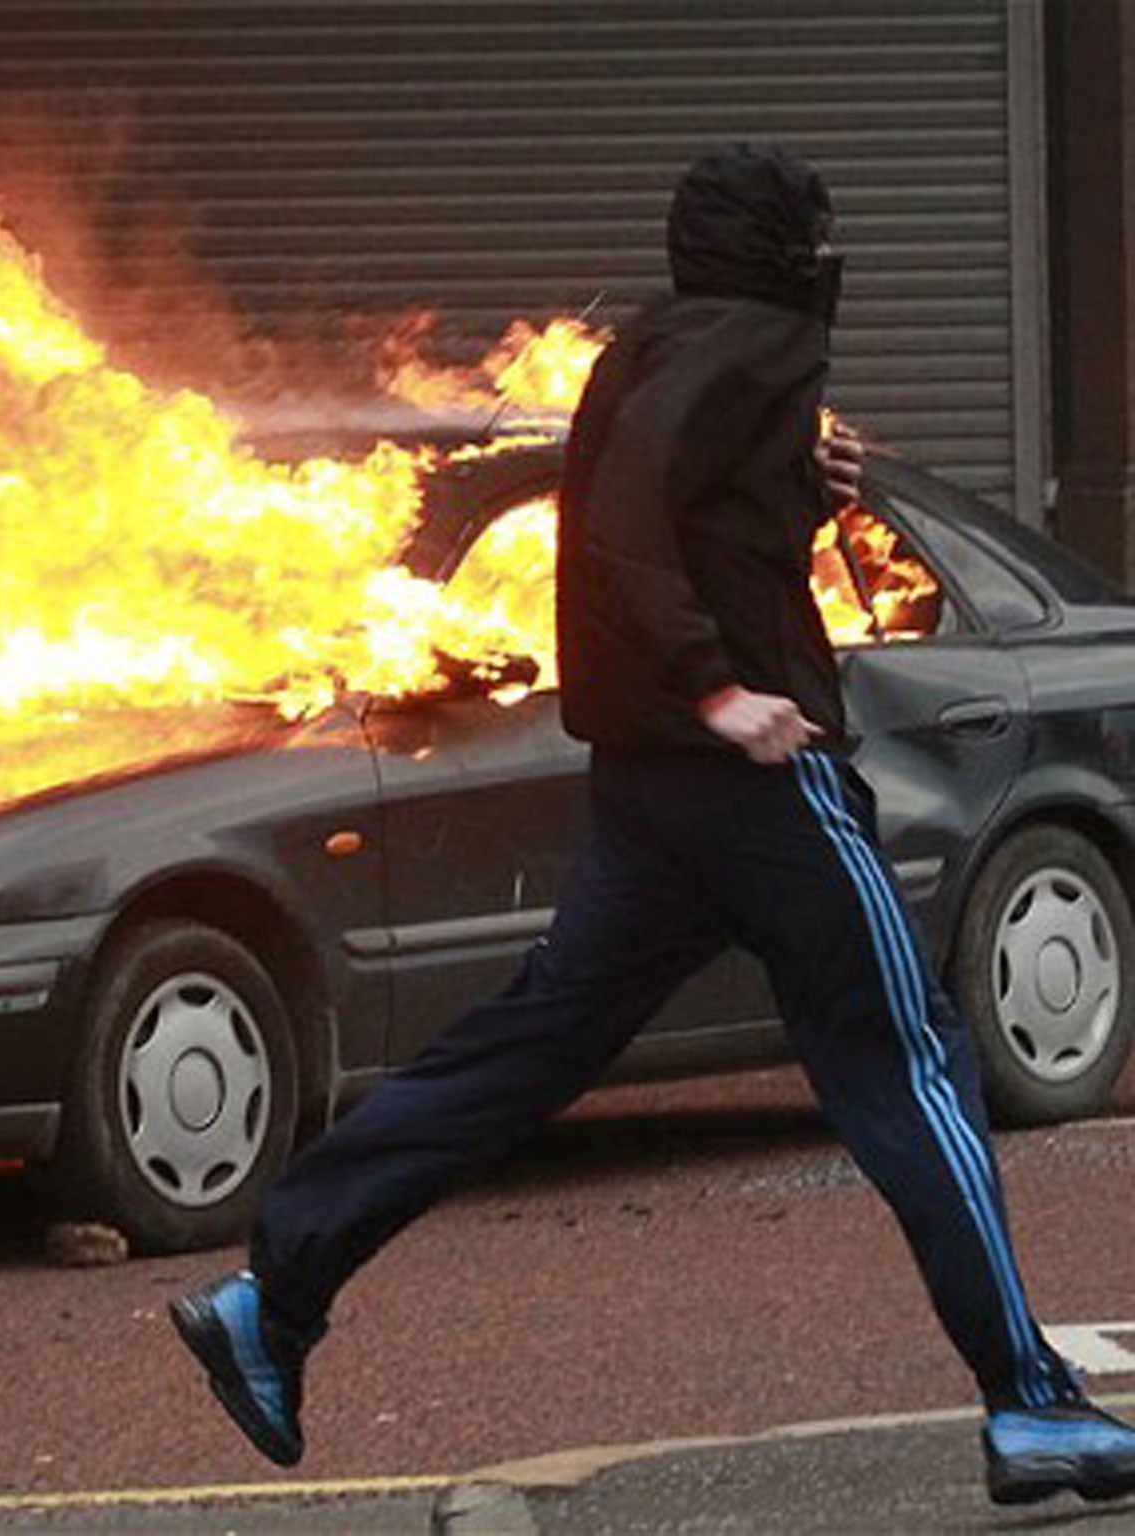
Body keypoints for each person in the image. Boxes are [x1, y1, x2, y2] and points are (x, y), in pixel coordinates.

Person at [169, 144, 1135, 1508]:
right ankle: (1032, 1403)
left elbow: (692, 517)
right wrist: (725, 690)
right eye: (818, 231)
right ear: (784, 246)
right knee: (908, 1057)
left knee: (525, 1047)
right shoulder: (757, 345)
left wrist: (808, 482)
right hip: (758, 785)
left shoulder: (648, 348)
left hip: (644, 795)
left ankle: (274, 1300)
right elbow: (629, 529)